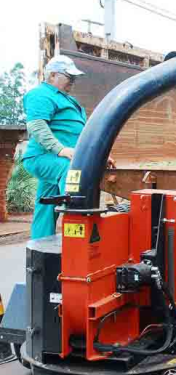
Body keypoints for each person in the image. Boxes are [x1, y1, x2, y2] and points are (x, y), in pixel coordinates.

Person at [22, 56, 113, 239]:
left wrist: (100, 156)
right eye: (69, 76)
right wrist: (60, 150)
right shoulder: (40, 94)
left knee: (45, 208)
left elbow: (82, 136)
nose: (73, 80)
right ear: (53, 75)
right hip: (44, 157)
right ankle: (78, 229)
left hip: (59, 158)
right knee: (72, 172)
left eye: (74, 77)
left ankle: (40, 251)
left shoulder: (70, 101)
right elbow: (37, 126)